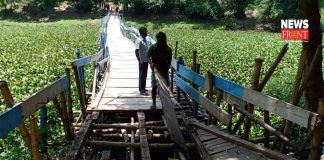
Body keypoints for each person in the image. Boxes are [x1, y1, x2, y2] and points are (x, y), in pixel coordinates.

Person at [148, 32, 172, 108]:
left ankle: (166, 104)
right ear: (157, 40)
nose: (162, 43)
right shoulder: (153, 48)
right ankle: (154, 103)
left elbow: (169, 62)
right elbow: (148, 56)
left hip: (164, 70)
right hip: (155, 69)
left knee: (167, 86)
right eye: (160, 41)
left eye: (163, 41)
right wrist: (151, 63)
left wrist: (165, 71)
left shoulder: (168, 50)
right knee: (154, 86)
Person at [135, 27, 151, 95]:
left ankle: (142, 87)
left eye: (146, 32)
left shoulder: (145, 39)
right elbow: (136, 51)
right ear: (141, 33)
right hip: (142, 61)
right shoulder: (139, 40)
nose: (146, 33)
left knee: (144, 74)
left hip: (145, 60)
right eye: (145, 32)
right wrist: (139, 60)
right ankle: (142, 90)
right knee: (142, 75)